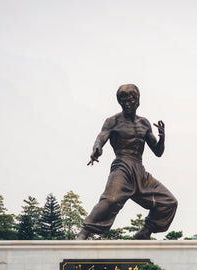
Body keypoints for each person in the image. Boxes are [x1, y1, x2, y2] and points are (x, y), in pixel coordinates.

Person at [76, 84, 178, 240]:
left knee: (169, 202)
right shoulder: (113, 121)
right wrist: (97, 148)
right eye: (124, 101)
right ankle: (84, 232)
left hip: (140, 170)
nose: (128, 104)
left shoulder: (144, 123)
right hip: (122, 166)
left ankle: (145, 231)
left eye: (131, 100)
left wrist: (162, 138)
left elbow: (158, 152)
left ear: (137, 101)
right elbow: (101, 137)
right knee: (110, 199)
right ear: (120, 103)